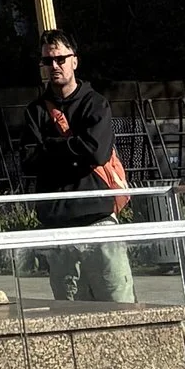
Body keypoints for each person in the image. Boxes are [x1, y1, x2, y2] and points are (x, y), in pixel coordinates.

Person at [20, 29, 133, 308]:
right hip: (58, 226)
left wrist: (51, 147)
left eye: (60, 59)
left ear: (75, 61)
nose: (54, 66)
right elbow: (27, 161)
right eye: (47, 61)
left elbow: (96, 152)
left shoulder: (96, 104)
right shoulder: (34, 111)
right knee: (70, 311)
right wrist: (74, 149)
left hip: (98, 222)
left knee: (119, 305)